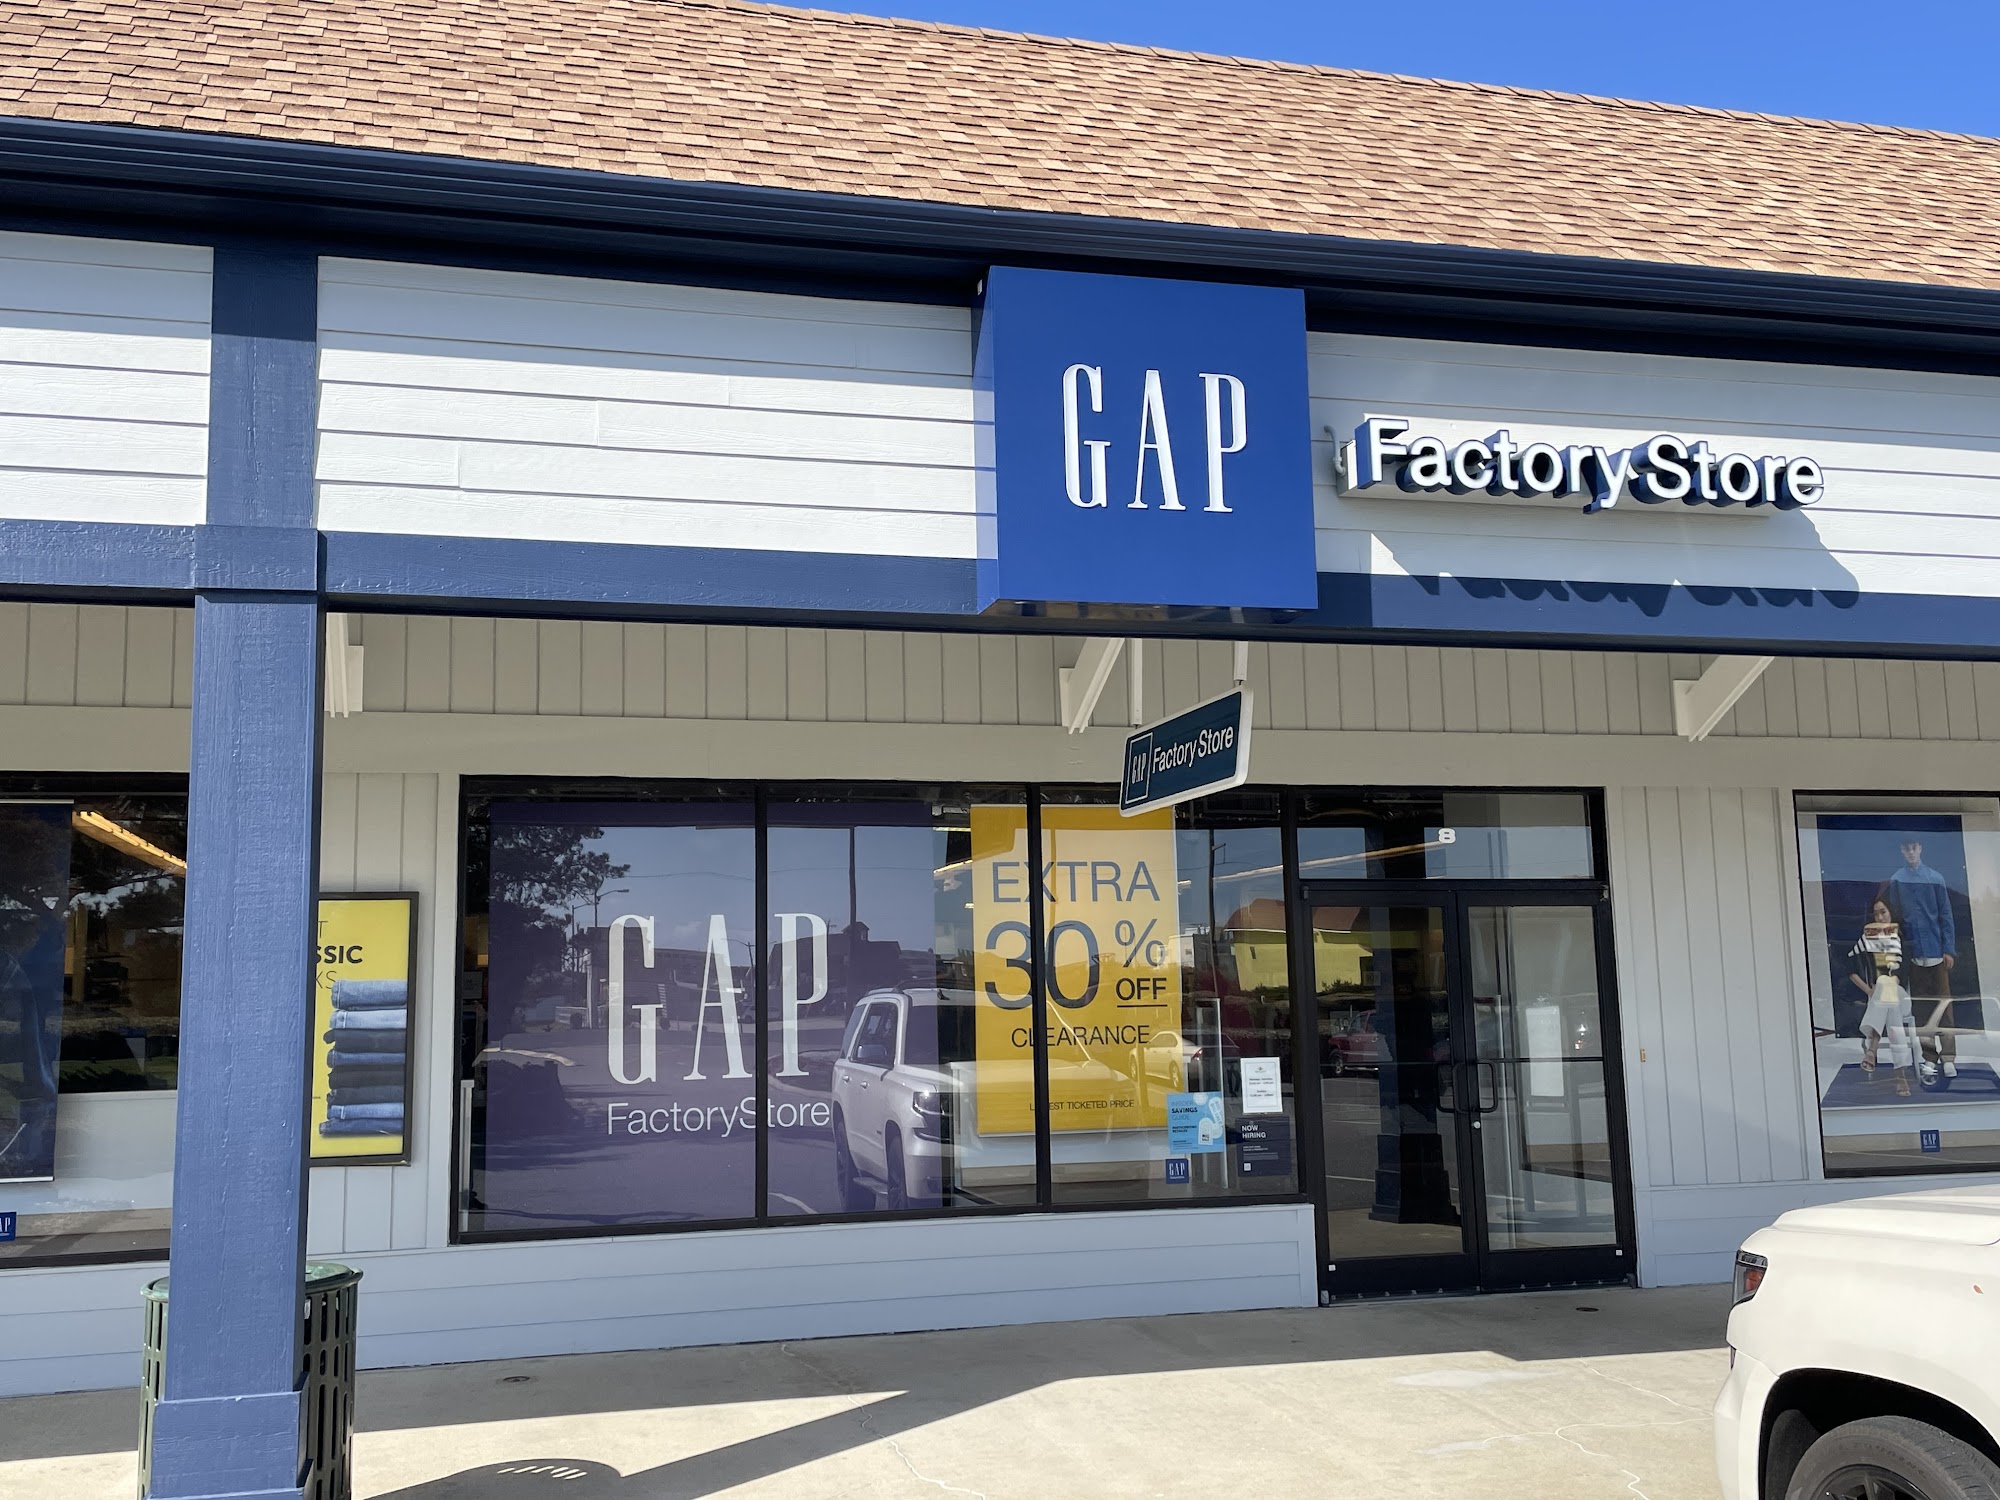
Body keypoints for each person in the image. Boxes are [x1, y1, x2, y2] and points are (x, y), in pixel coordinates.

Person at [1887, 839, 1959, 1078]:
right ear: (1901, 850)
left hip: (1937, 953)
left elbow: (1945, 915)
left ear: (1920, 849)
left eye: (1914, 847)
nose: (1910, 852)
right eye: (1906, 848)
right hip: (1914, 956)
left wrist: (1948, 949)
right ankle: (1930, 1058)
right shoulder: (1897, 880)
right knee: (1922, 1011)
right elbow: (1896, 917)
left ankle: (1948, 1058)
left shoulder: (1935, 878)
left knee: (1944, 1008)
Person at [1846, 900, 1914, 1097]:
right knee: (1891, 1008)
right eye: (1876, 914)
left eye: (1883, 912)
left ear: (1891, 912)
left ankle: (1872, 1048)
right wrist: (1868, 990)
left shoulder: (1901, 939)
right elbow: (1849, 966)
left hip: (1901, 996)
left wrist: (1882, 984)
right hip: (1882, 1001)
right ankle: (1900, 1075)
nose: (1880, 917)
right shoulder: (1870, 938)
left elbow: (1902, 975)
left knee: (1886, 984)